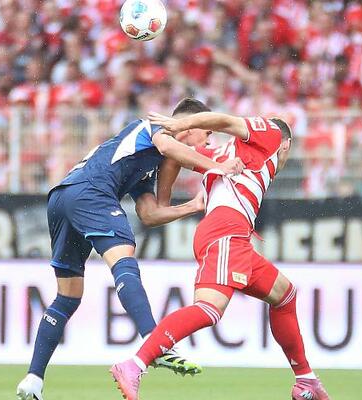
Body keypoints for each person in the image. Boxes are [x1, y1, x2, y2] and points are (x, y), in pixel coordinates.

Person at [16, 98, 245, 400]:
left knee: (68, 296)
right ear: (192, 125)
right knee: (124, 260)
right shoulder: (152, 128)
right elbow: (169, 148)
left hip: (62, 198)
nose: (209, 139)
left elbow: (150, 214)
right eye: (208, 132)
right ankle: (153, 340)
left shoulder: (145, 162)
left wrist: (192, 206)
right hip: (91, 193)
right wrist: (219, 167)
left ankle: (33, 379)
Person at [110, 111, 331, 400]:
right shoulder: (273, 134)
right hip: (226, 230)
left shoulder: (218, 153)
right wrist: (182, 123)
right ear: (286, 145)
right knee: (209, 309)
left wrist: (164, 200)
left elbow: (175, 157)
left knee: (284, 294)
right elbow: (226, 121)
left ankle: (306, 380)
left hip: (232, 235)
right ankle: (135, 364)